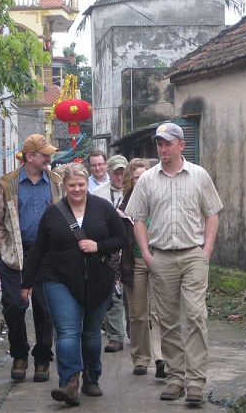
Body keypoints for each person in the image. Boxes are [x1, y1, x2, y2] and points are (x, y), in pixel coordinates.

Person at [125, 123, 223, 406]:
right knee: (167, 320)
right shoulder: (147, 180)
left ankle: (195, 382)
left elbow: (212, 214)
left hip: (193, 254)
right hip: (162, 256)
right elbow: (138, 218)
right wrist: (146, 254)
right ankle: (175, 377)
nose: (162, 149)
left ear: (181, 145)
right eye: (159, 144)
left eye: (168, 144)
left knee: (194, 315)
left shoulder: (199, 175)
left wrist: (206, 250)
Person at [21, 163, 126, 407]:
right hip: (59, 279)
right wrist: (27, 282)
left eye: (81, 184)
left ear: (86, 184)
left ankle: (92, 376)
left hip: (98, 279)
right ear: (64, 186)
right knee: (68, 332)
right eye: (72, 185)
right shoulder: (53, 212)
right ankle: (69, 382)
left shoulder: (103, 208)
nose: (77, 189)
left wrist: (98, 246)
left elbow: (121, 238)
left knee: (90, 334)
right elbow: (38, 249)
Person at [0, 134, 61, 383]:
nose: (49, 158)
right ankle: (20, 355)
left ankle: (42, 360)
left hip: (47, 257)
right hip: (15, 257)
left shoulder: (56, 182)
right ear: (30, 157)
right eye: (45, 154)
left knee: (45, 308)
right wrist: (2, 248)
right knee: (14, 307)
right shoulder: (8, 184)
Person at [117, 158, 166, 378]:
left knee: (158, 313)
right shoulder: (123, 207)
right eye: (136, 177)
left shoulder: (161, 200)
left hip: (160, 260)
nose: (141, 180)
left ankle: (160, 358)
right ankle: (141, 358)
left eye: (145, 175)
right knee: (138, 314)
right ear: (130, 180)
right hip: (134, 262)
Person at [92, 154, 128, 353]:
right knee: (114, 294)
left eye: (123, 172)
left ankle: (135, 332)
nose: (120, 177)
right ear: (109, 172)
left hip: (131, 249)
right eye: (116, 173)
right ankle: (115, 337)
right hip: (109, 248)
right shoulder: (99, 193)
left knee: (132, 295)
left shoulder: (135, 190)